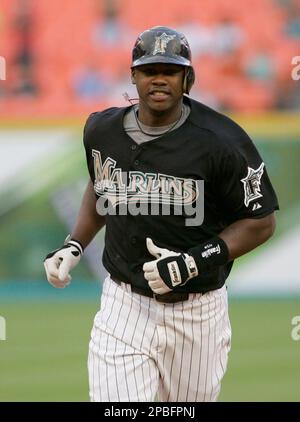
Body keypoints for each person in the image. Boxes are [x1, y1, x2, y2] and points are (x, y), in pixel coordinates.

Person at [44, 26, 279, 402]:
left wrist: (192, 262)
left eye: (170, 71)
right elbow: (102, 183)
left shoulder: (223, 141)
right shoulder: (102, 130)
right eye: (149, 69)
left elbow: (261, 221)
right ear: (133, 76)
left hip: (197, 311)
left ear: (187, 78)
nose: (158, 79)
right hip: (124, 303)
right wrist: (74, 244)